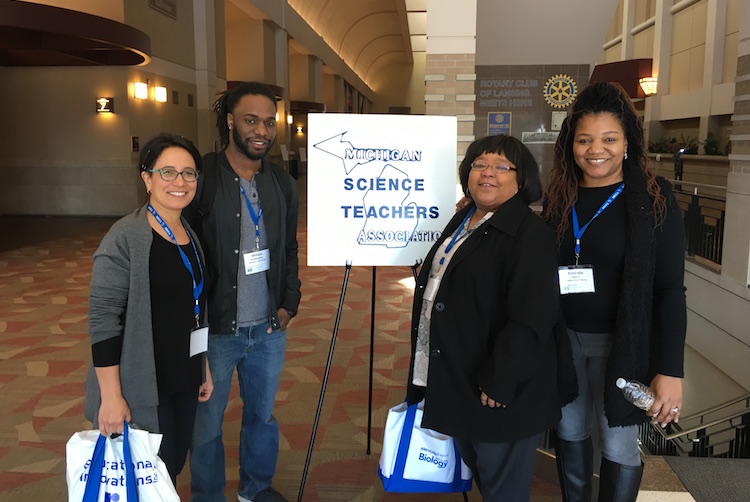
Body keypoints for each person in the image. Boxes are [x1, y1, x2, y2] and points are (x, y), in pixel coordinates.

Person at [543, 81, 687, 502]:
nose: (595, 149)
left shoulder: (654, 199)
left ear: (627, 141)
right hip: (564, 339)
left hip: (623, 344)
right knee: (569, 430)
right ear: (571, 143)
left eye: (609, 138)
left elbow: (669, 290)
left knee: (618, 443)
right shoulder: (559, 197)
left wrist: (671, 369)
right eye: (584, 139)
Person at [406, 134, 561, 501]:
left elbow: (532, 316)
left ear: (520, 179)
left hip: (499, 390)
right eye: (479, 164)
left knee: (501, 487)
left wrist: (500, 379)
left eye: (501, 166)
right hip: (461, 378)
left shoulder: (529, 233)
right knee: (483, 476)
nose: (488, 173)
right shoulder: (465, 218)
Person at [185, 82, 301, 502]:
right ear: (231, 121)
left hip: (269, 328)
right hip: (216, 330)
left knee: (262, 418)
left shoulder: (283, 185)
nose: (262, 131)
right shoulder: (202, 178)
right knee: (206, 424)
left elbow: (288, 248)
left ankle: (255, 490)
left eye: (269, 122)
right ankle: (208, 495)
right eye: (251, 120)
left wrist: (290, 301)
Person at [84, 132, 214, 484]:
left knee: (168, 467)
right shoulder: (125, 236)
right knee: (142, 475)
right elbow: (103, 319)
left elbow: (194, 306)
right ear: (147, 177)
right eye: (167, 172)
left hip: (183, 376)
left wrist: (202, 367)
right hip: (142, 383)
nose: (180, 181)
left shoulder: (186, 231)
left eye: (189, 173)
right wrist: (110, 397)